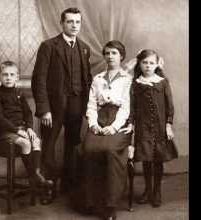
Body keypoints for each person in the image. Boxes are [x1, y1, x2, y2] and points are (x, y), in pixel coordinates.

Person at [31, 7, 92, 205]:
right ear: (62, 23)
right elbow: (38, 80)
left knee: (73, 145)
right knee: (48, 146)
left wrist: (88, 107)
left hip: (77, 104)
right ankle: (48, 187)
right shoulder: (49, 46)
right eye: (70, 22)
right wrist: (44, 109)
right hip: (53, 107)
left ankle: (68, 183)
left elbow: (87, 79)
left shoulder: (84, 48)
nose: (74, 25)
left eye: (77, 22)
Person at [74, 40, 134, 220]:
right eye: (107, 53)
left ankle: (110, 205)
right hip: (100, 119)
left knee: (109, 150)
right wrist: (94, 124)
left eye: (114, 53)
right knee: (87, 149)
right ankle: (91, 201)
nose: (110, 56)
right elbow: (91, 105)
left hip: (119, 122)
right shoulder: (98, 79)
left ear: (121, 56)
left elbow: (126, 107)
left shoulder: (127, 80)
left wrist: (114, 127)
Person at [0, 61, 54, 191]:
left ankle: (35, 175)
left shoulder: (20, 93)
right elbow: (0, 119)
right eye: (5, 74)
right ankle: (34, 176)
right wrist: (18, 131)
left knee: (36, 141)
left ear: (17, 77)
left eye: (12, 74)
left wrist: (29, 128)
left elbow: (27, 113)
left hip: (22, 129)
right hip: (6, 132)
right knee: (26, 143)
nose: (8, 77)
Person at [130, 49, 178, 207]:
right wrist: (131, 124)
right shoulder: (136, 84)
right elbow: (132, 107)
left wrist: (168, 126)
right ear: (139, 63)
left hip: (159, 127)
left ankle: (157, 191)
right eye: (144, 62)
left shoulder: (163, 82)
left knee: (157, 159)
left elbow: (169, 107)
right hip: (143, 127)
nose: (148, 66)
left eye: (151, 63)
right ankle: (147, 190)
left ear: (157, 64)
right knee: (146, 158)